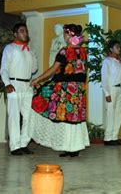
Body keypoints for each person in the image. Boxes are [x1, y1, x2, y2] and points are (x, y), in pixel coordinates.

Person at [30, 24, 89, 157]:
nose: (64, 36)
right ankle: (74, 147)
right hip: (79, 90)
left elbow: (52, 69)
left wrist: (38, 79)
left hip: (66, 89)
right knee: (75, 116)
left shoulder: (65, 51)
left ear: (71, 35)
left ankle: (70, 147)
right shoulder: (83, 51)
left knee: (67, 115)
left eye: (66, 34)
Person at [0, 23, 38, 155]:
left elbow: (34, 69)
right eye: (22, 31)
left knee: (29, 116)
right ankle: (15, 146)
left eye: (26, 31)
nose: (25, 33)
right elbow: (4, 68)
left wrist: (32, 55)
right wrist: (7, 83)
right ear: (15, 34)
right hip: (14, 84)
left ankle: (23, 143)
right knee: (14, 116)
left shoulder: (29, 50)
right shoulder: (9, 48)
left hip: (27, 86)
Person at [101, 40, 121, 146]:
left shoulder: (120, 61)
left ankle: (114, 137)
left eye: (119, 47)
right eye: (117, 47)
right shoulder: (107, 61)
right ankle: (108, 138)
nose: (119, 49)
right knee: (110, 113)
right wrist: (107, 93)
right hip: (112, 89)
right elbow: (104, 78)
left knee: (118, 113)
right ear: (111, 49)